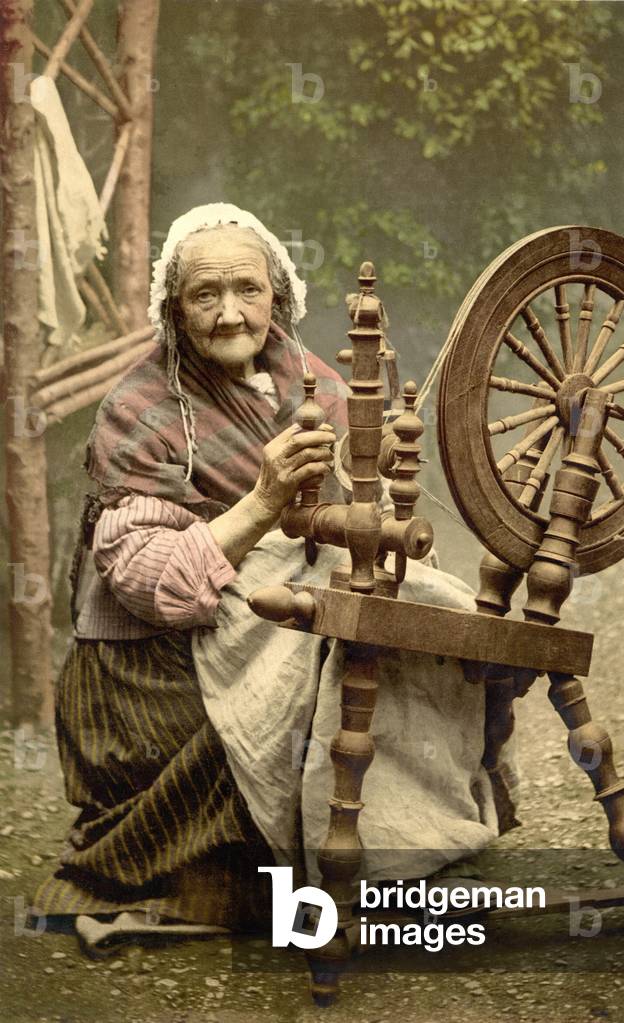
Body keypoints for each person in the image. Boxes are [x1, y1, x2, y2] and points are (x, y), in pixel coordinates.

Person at [33, 203, 351, 934]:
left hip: (248, 620)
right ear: (174, 310)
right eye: (206, 295)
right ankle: (267, 867)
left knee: (389, 634)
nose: (231, 314)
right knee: (317, 670)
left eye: (248, 289)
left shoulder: (316, 385)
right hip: (145, 669)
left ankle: (375, 852)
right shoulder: (139, 410)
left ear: (281, 295)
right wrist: (265, 498)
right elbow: (157, 587)